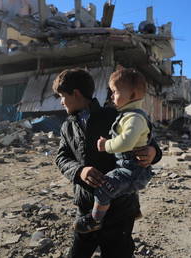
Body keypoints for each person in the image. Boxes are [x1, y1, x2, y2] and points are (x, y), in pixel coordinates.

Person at [53, 68, 162, 258]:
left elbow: (146, 139)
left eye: (62, 96)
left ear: (76, 93)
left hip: (120, 208)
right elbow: (61, 158)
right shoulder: (67, 126)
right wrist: (80, 171)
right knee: (77, 252)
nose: (61, 102)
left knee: (118, 252)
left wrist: (153, 152)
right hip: (86, 206)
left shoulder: (114, 115)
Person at [73, 68, 154, 233]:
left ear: (131, 95)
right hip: (128, 168)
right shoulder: (125, 115)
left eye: (115, 92)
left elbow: (127, 142)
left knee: (105, 187)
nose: (111, 96)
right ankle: (133, 210)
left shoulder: (134, 118)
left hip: (134, 169)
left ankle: (94, 220)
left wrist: (106, 145)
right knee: (117, 185)